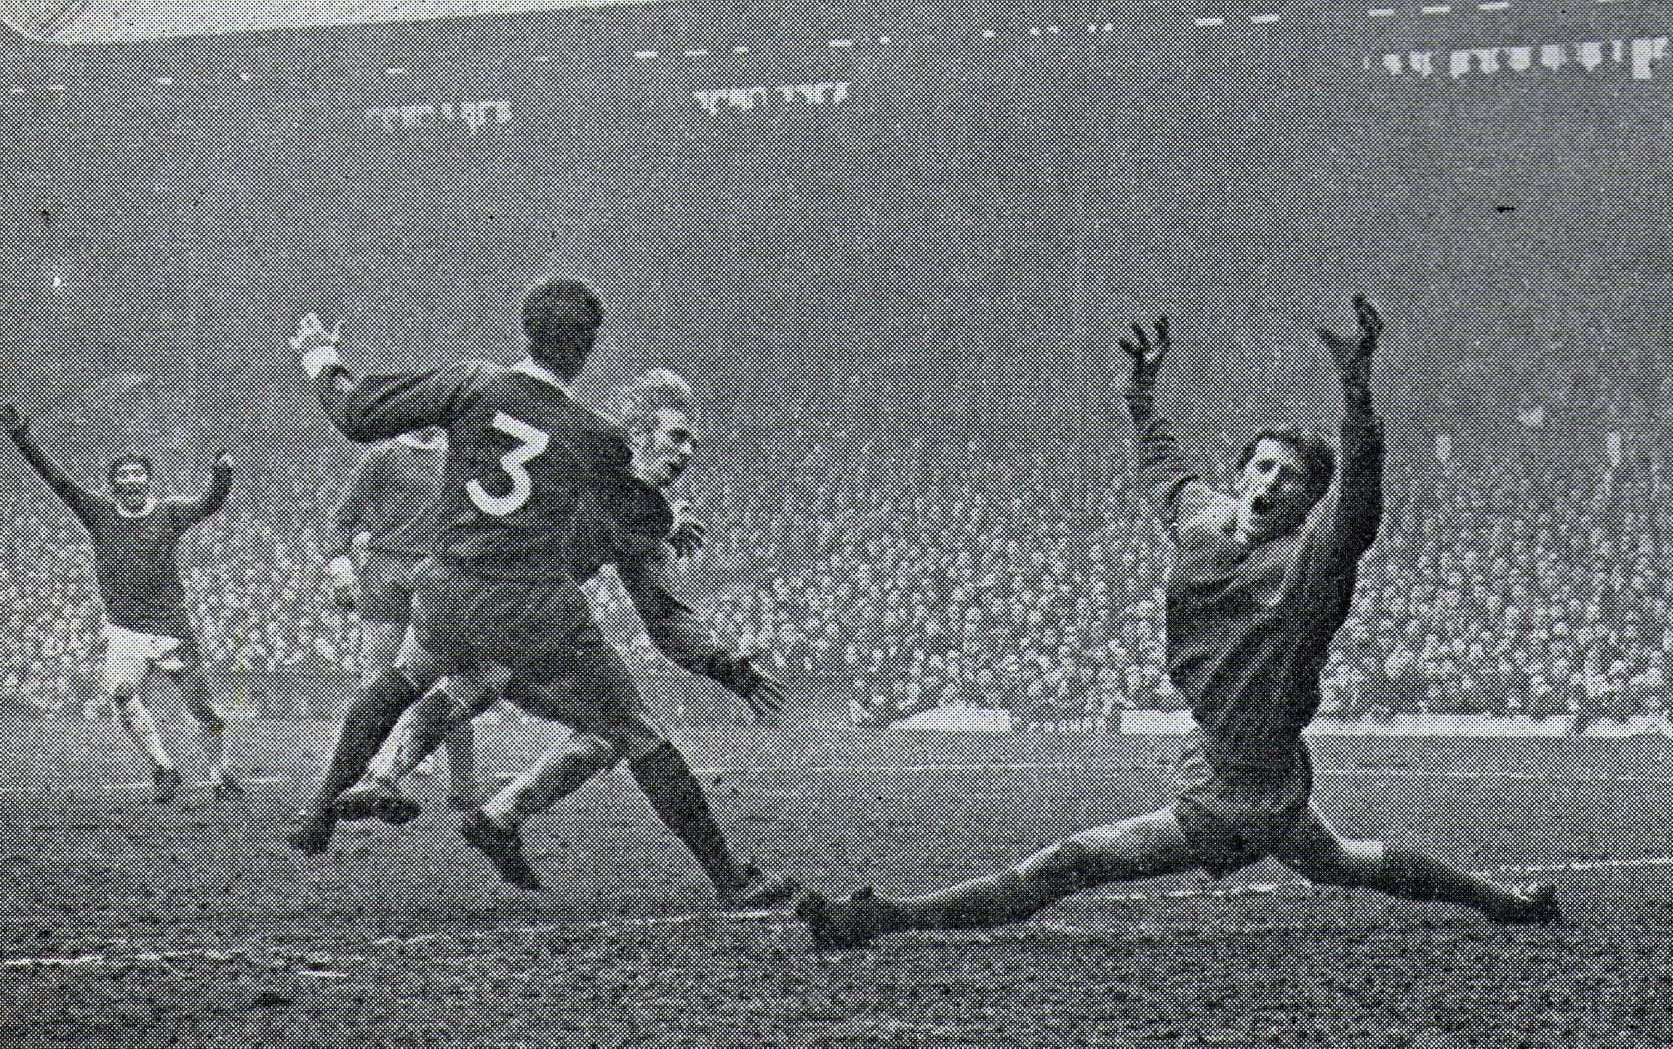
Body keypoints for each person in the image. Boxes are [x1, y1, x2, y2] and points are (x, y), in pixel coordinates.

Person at [796, 296, 1558, 949]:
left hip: (1242, 788)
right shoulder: (1204, 519)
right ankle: (1509, 903)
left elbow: (1359, 501)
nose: (1272, 481)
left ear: (1308, 504)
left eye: (1293, 478)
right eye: (1263, 465)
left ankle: (882, 918)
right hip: (1235, 757)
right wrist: (1140, 396)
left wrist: (1356, 393)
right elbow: (1164, 470)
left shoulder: (1311, 564)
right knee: (1344, 860)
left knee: (1070, 862)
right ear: (1241, 473)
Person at [315, 369, 792, 903]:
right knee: (626, 730)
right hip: (515, 604)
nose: (686, 454)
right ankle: (728, 877)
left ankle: (464, 804)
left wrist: (726, 666)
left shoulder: (624, 498)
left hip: (497, 606)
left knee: (564, 721)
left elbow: (662, 615)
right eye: (677, 437)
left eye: (692, 444)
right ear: (637, 432)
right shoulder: (589, 463)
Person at [2, 404, 237, 802]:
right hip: (124, 627)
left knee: (201, 708)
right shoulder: (98, 513)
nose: (131, 480)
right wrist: (23, 439)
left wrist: (222, 476)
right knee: (122, 696)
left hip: (171, 626)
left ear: (148, 480)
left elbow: (209, 504)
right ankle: (163, 768)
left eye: (137, 474)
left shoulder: (169, 513)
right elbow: (58, 481)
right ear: (114, 485)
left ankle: (220, 775)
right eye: (124, 475)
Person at [323, 426, 477, 811]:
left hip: (439, 570)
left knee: (452, 673)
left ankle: (463, 784)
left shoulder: (460, 454)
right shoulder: (381, 456)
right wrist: (340, 566)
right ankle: (363, 778)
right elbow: (343, 517)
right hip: (385, 569)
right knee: (379, 675)